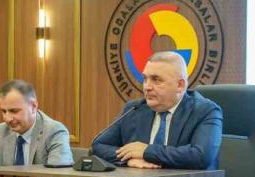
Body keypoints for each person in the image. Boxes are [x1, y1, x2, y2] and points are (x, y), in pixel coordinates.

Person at [92, 51, 222, 170]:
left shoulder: (205, 111)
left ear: (180, 85)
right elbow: (98, 145)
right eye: (145, 79)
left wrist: (147, 151)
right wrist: (129, 159)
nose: (147, 87)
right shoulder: (135, 109)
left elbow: (201, 156)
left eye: (156, 80)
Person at [0, 80, 73, 167]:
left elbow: (57, 175)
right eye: (4, 111)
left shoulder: (54, 131)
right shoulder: (0, 132)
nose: (7, 118)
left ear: (33, 106)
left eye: (14, 111)